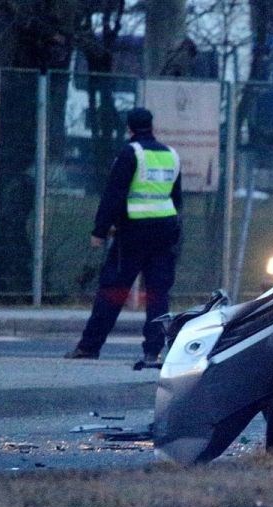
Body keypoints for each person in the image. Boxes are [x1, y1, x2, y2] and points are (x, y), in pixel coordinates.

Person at [65, 107, 182, 368]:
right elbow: (177, 200)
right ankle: (154, 352)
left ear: (129, 128)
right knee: (157, 294)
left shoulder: (131, 154)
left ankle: (89, 346)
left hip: (133, 233)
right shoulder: (171, 155)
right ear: (153, 126)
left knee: (113, 291)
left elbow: (114, 195)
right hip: (164, 233)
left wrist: (99, 231)